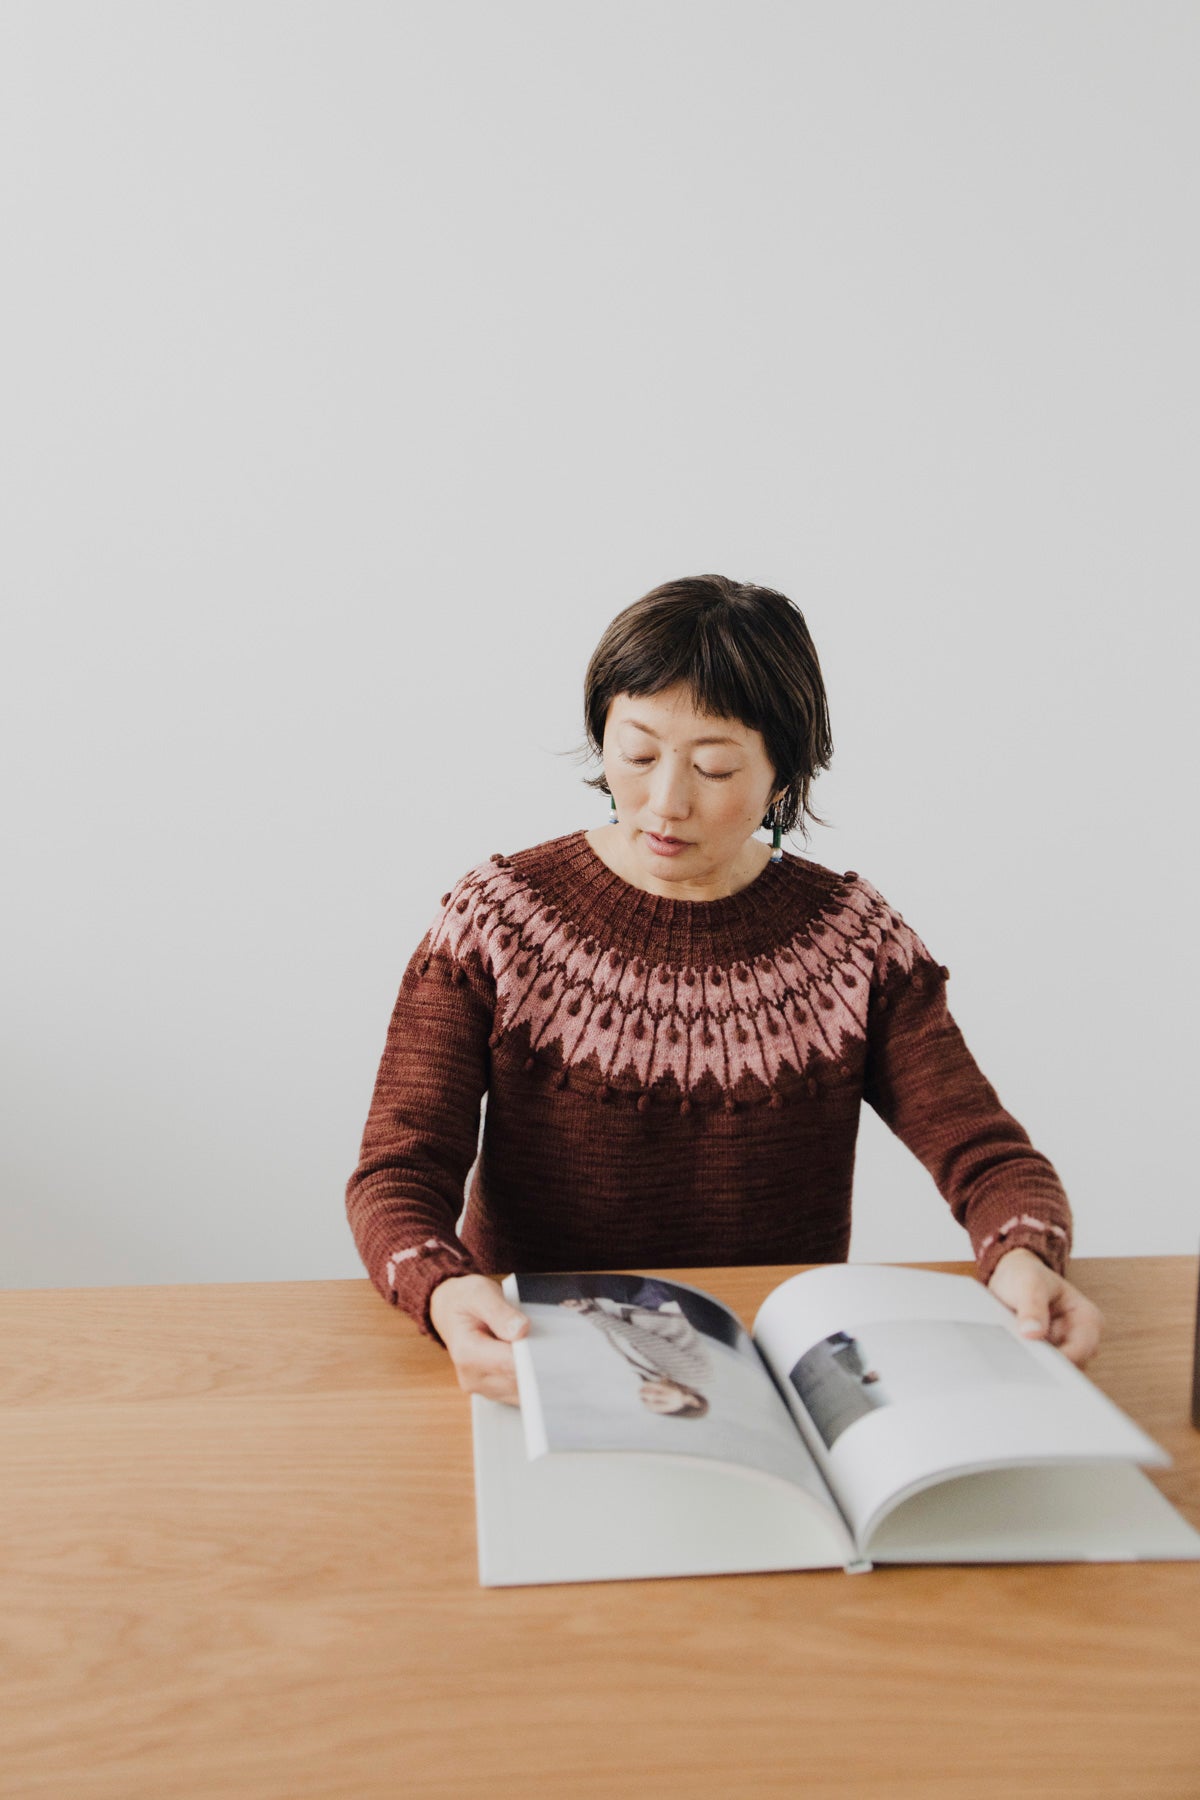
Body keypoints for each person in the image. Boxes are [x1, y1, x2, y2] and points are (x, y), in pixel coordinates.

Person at [345, 573, 1103, 1404]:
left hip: (772, 1379)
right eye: (638, 755)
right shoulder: (497, 920)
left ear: (783, 775)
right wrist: (445, 1290)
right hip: (538, 1363)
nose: (665, 802)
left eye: (713, 767)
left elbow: (988, 1157)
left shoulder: (852, 942)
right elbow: (398, 1174)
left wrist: (1024, 1254)